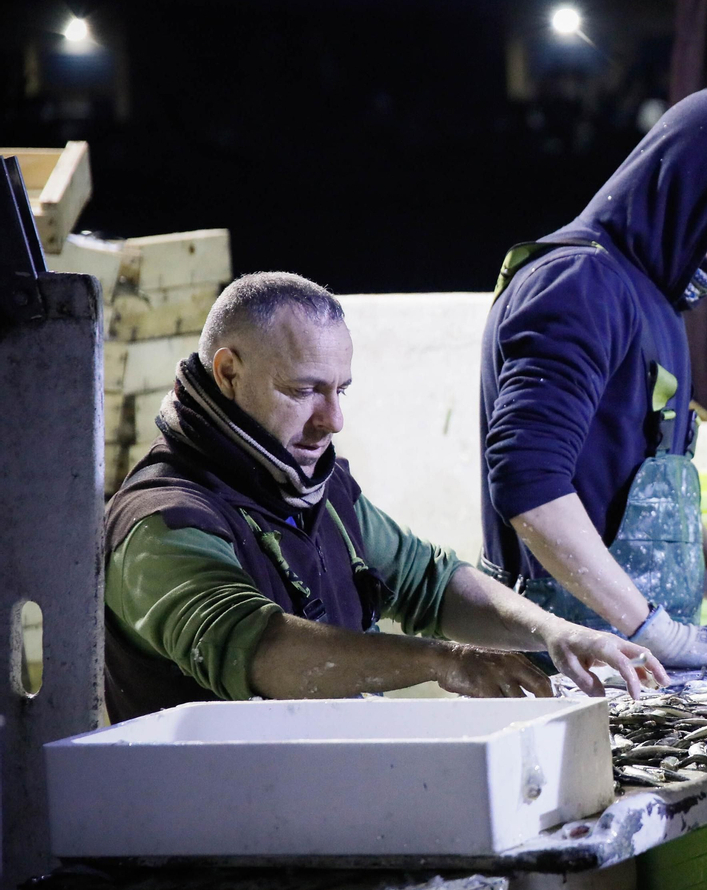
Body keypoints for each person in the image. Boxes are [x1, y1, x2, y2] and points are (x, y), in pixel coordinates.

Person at [104, 272, 664, 724]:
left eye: (339, 390)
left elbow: (430, 582)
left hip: (313, 807)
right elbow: (258, 649)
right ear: (228, 371)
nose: (332, 420)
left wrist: (555, 631)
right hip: (205, 836)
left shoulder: (320, 491)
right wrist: (445, 662)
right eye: (303, 391)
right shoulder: (163, 520)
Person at [479, 87, 707, 669]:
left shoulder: (648, 299)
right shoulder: (580, 285)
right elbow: (529, 487)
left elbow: (641, 502)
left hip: (629, 664)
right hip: (558, 665)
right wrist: (665, 636)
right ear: (686, 194)